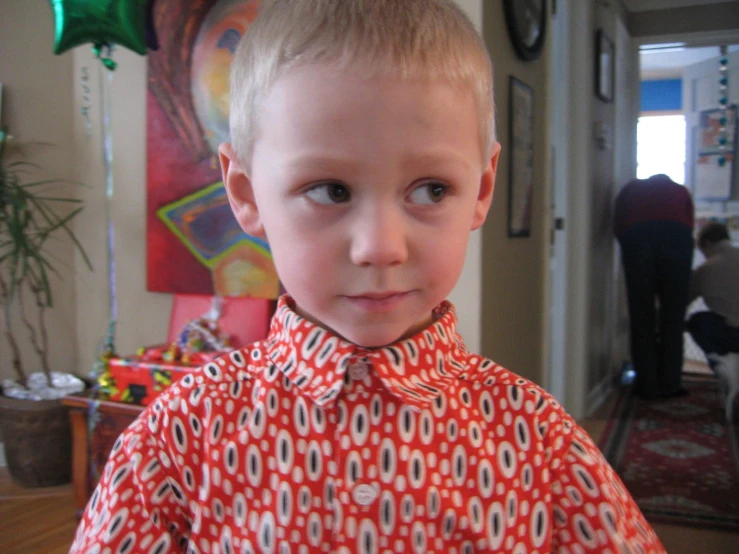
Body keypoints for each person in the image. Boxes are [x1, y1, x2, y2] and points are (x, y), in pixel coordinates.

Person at [71, 1, 664, 552]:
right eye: (330, 190)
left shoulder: (540, 442)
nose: (380, 246)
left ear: (481, 189)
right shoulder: (180, 436)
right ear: (246, 195)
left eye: (431, 189)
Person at [614, 173, 694, 400]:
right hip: (677, 238)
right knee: (674, 316)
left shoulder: (630, 190)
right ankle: (670, 384)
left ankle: (646, 385)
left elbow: (619, 225)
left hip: (637, 238)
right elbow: (689, 224)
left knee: (641, 315)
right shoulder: (680, 191)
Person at [687, 222, 739, 359]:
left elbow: (682, 301)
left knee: (698, 321)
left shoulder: (706, 268)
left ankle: (724, 364)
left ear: (708, 244)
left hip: (732, 334)